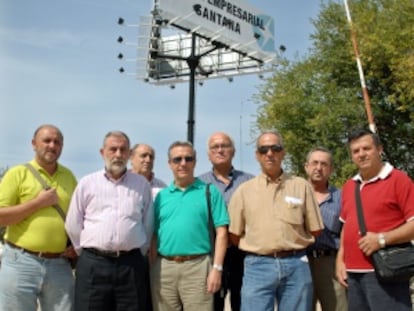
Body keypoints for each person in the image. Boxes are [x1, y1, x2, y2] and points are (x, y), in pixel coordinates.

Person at [228, 130, 324, 311]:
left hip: (296, 265)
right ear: (257, 155)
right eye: (264, 149)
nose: (270, 153)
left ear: (283, 152)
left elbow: (315, 229)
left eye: (275, 148)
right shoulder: (244, 191)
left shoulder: (301, 186)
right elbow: (234, 234)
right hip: (257, 266)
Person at [65, 130, 153, 311]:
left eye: (123, 150)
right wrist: (84, 250)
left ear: (129, 154)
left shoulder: (141, 185)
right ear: (102, 152)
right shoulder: (87, 183)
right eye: (113, 149)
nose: (118, 155)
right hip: (93, 265)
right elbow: (73, 222)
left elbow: (148, 223)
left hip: (131, 266)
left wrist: (138, 250)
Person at [0, 124, 77, 311]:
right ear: (34, 144)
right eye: (47, 140)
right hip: (21, 262)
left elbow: (79, 218)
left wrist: (77, 246)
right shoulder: (17, 174)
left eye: (57, 142)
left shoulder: (69, 177)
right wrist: (38, 203)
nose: (52, 145)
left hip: (60, 265)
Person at [335, 128, 414, 311]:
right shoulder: (349, 186)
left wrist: (381, 239)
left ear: (379, 149)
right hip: (353, 276)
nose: (361, 154)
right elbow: (347, 225)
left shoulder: (398, 180)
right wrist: (340, 260)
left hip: (386, 273)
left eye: (366, 148)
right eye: (356, 151)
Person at [149, 141, 229, 311]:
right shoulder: (161, 197)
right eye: (177, 159)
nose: (183, 163)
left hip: (198, 267)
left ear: (195, 161)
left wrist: (217, 269)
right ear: (170, 163)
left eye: (188, 158)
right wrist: (153, 269)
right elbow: (154, 236)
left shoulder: (209, 192)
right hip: (164, 269)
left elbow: (222, 233)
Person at [198, 132, 254, 311]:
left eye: (224, 146)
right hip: (210, 253)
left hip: (243, 253)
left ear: (233, 151)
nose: (220, 150)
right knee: (213, 303)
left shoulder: (250, 182)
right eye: (215, 147)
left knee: (243, 302)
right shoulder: (199, 184)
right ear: (208, 154)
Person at [304, 147, 347, 311]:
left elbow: (347, 231)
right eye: (315, 163)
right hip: (299, 262)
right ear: (306, 166)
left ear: (331, 169)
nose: (318, 168)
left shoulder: (341, 197)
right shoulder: (295, 193)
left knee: (339, 307)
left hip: (330, 262)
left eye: (324, 164)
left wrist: (341, 262)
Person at [130, 143, 167, 311]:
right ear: (131, 158)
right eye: (143, 155)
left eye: (151, 156)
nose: (148, 159)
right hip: (129, 254)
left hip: (155, 255)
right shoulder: (124, 185)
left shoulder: (163, 188)